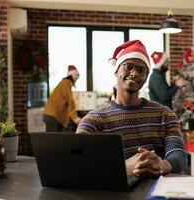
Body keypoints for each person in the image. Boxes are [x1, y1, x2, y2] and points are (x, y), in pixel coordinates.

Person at [76, 40, 187, 177]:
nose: (134, 73)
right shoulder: (92, 121)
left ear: (145, 78)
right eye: (128, 67)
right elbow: (80, 163)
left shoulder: (165, 115)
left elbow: (179, 155)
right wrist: (124, 167)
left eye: (141, 70)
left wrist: (162, 165)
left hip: (156, 193)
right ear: (116, 71)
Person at [43, 65, 81, 132]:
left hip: (51, 114)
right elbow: (70, 100)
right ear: (72, 75)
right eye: (77, 75)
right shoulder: (66, 83)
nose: (78, 77)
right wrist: (75, 117)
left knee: (53, 139)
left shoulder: (64, 83)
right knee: (53, 140)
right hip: (53, 115)